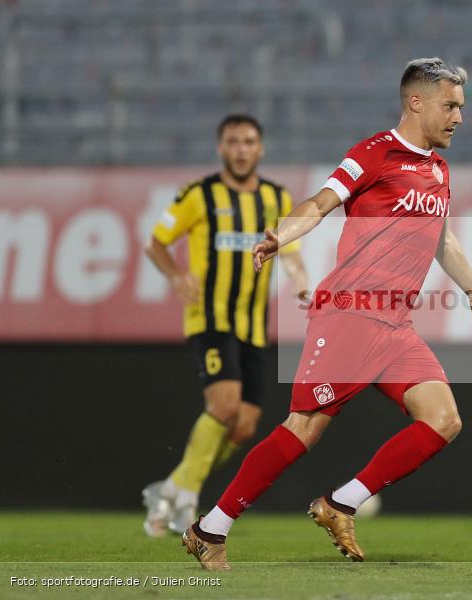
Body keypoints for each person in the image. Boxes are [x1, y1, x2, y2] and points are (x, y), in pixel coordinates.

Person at [182, 58, 472, 571]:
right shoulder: (374, 154)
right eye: (451, 105)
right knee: (303, 430)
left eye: (461, 107)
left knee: (443, 420)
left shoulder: (439, 170)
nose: (459, 118)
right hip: (350, 315)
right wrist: (280, 235)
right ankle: (209, 529)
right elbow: (320, 202)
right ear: (416, 101)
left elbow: (441, 238)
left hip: (396, 325)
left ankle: (340, 503)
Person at [142, 114, 309, 537]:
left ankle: (174, 487)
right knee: (224, 405)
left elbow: (288, 247)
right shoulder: (198, 195)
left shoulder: (275, 196)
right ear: (221, 148)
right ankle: (186, 495)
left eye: (249, 141)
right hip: (210, 319)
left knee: (245, 425)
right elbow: (156, 243)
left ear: (260, 148)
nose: (241, 149)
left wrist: (299, 279)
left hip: (254, 324)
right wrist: (177, 277)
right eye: (233, 142)